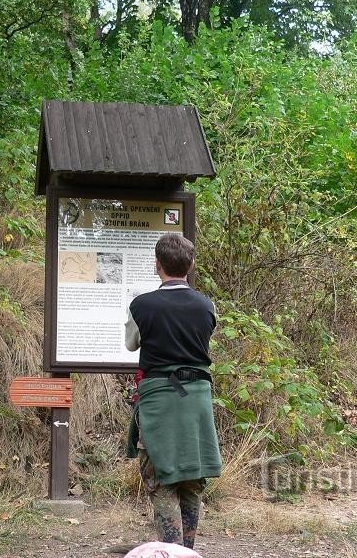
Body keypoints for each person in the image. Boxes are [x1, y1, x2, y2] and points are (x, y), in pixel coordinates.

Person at [125, 233, 222, 550]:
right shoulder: (207, 306)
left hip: (159, 401)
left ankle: (172, 552)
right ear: (191, 265)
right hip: (196, 399)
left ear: (157, 265)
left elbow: (130, 345)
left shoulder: (142, 305)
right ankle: (186, 552)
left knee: (162, 479)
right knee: (192, 480)